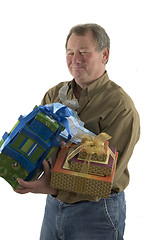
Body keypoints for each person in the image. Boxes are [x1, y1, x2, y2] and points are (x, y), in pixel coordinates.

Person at [15, 23, 140, 239]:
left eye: (83, 52)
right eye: (70, 52)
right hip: (53, 207)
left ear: (105, 54)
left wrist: (53, 188)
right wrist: (20, 169)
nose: (75, 59)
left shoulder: (120, 107)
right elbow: (39, 145)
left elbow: (105, 177)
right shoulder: (53, 95)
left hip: (97, 212)